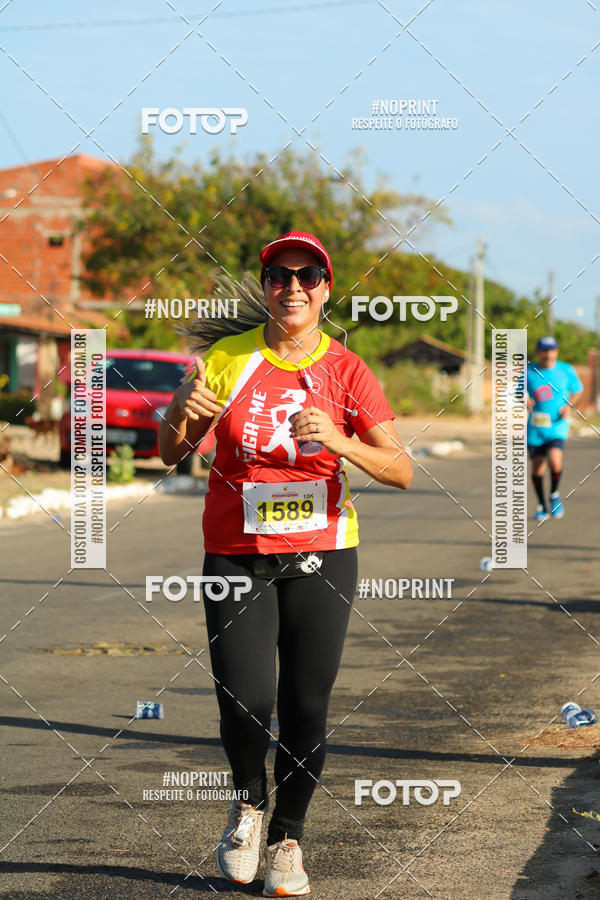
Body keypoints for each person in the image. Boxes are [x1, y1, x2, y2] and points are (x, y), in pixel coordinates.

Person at [158, 231, 412, 896]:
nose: (293, 286)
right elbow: (169, 453)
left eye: (308, 275)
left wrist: (341, 439)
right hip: (235, 555)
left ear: (326, 289)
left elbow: (402, 470)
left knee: (305, 706)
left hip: (323, 554)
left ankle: (287, 838)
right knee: (245, 701)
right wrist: (180, 415)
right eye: (280, 274)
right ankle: (248, 807)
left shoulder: (347, 372)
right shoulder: (226, 358)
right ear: (266, 284)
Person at [527, 336, 582, 521]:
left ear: (556, 351)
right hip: (536, 427)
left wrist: (569, 405)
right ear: (538, 352)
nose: (547, 354)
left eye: (551, 350)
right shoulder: (528, 371)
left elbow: (578, 390)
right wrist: (524, 399)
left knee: (555, 460)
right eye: (544, 350)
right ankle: (542, 505)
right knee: (537, 468)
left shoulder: (565, 369)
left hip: (557, 425)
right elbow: (517, 391)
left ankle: (554, 494)